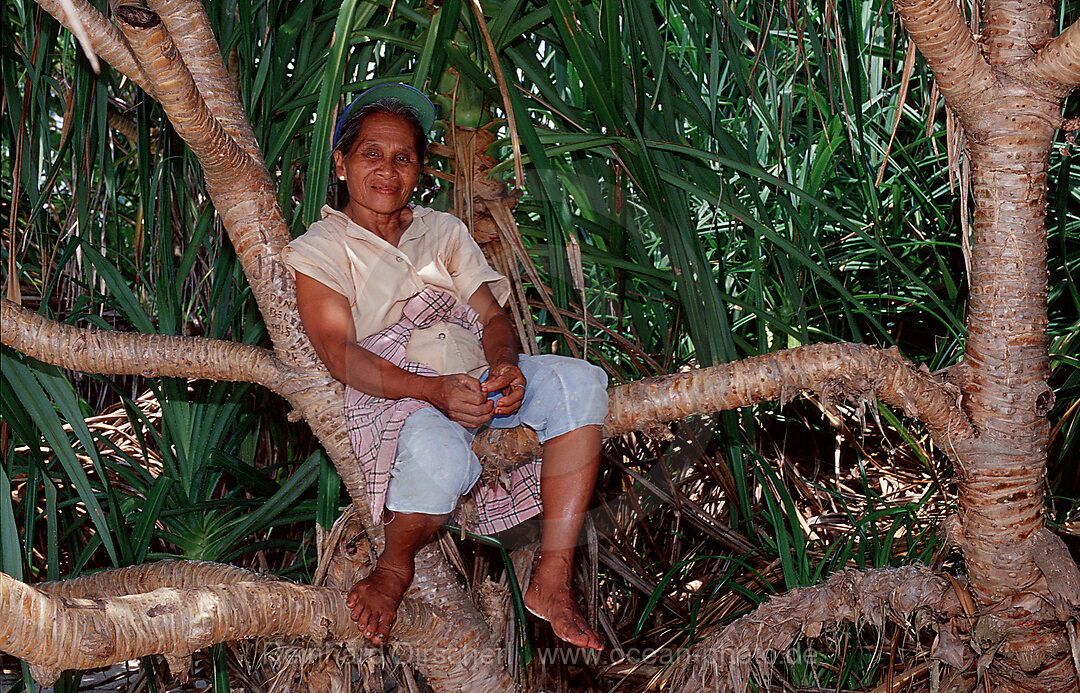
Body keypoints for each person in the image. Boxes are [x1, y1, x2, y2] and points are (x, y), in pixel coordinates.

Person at [283, 83, 607, 651]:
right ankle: (394, 568)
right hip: (392, 388)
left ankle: (552, 579)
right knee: (440, 459)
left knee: (581, 382)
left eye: (403, 158)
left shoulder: (444, 232)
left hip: (470, 374)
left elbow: (491, 317)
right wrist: (430, 391)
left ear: (420, 170)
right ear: (341, 163)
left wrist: (506, 365)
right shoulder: (321, 249)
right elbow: (338, 352)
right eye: (371, 154)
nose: (388, 170)